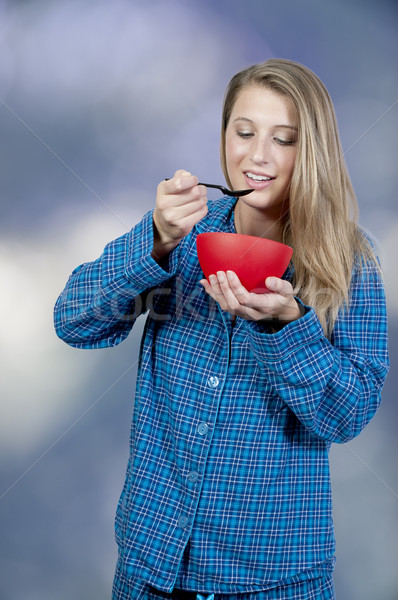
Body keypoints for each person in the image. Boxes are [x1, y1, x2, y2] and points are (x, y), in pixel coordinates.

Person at [54, 59, 389, 600]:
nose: (258, 155)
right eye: (245, 131)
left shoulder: (350, 261)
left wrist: (288, 327)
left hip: (272, 579)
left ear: (312, 152)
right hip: (150, 567)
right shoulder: (179, 235)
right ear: (224, 136)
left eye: (284, 139)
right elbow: (74, 321)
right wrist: (156, 242)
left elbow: (348, 415)